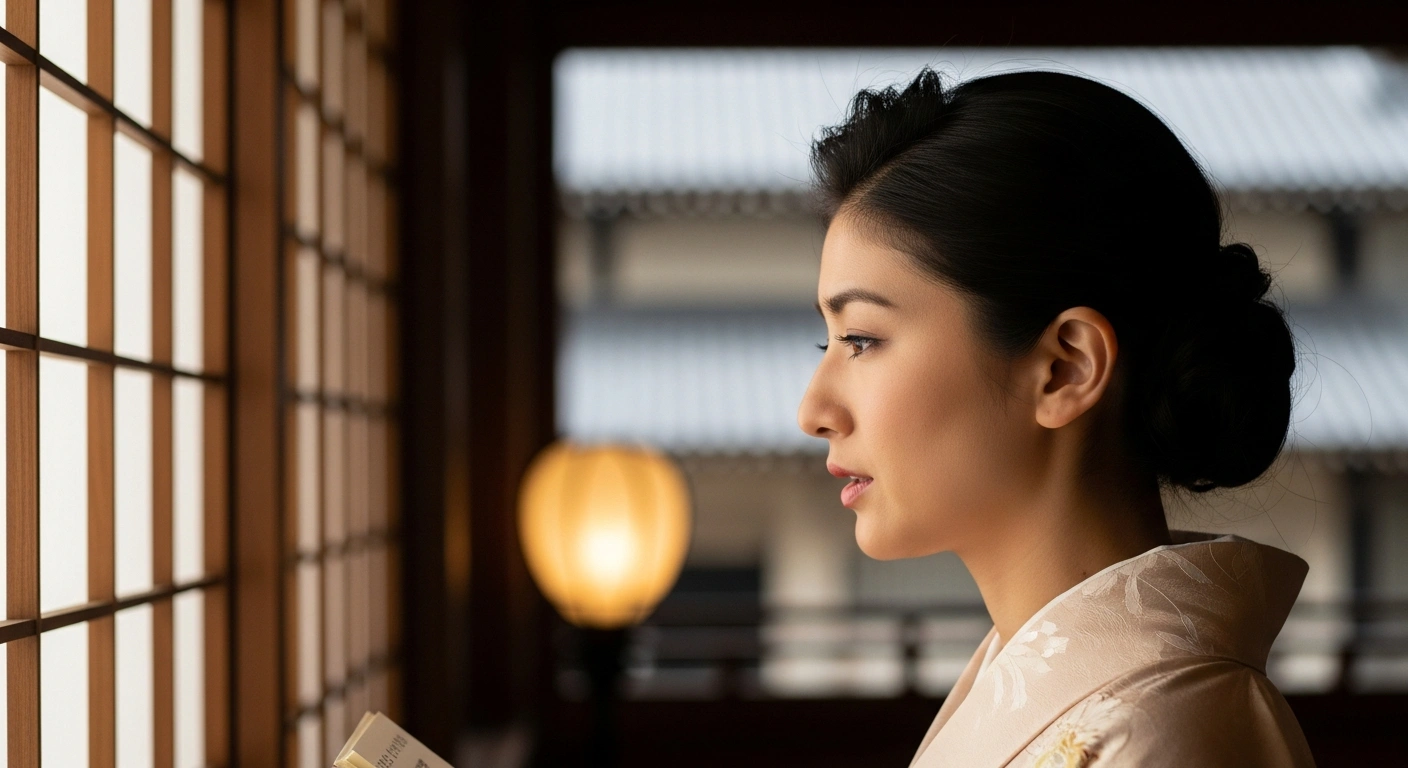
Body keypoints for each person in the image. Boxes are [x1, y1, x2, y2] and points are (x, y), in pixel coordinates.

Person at [796, 67, 1316, 767]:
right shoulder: (1067, 694)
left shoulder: (1160, 732)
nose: (813, 411)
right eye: (827, 343)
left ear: (1065, 368)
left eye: (861, 340)